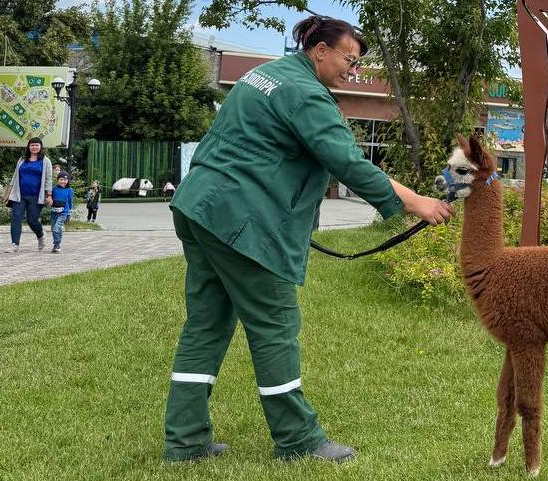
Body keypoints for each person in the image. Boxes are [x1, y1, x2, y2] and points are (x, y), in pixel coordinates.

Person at [163, 15, 454, 463]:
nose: (351, 71)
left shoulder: (265, 75)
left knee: (205, 325)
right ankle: (297, 439)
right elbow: (348, 160)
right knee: (275, 327)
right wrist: (415, 201)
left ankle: (184, 442)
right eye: (349, 60)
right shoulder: (304, 94)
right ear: (320, 50)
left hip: (202, 206)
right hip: (241, 219)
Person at [5, 137, 53, 252]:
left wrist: (49, 195)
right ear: (28, 147)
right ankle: (14, 245)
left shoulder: (45, 161)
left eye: (37, 145)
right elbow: (14, 177)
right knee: (16, 218)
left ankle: (41, 235)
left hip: (36, 196)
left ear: (40, 147)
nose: (34, 147)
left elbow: (48, 180)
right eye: (32, 145)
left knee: (32, 220)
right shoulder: (22, 160)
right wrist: (7, 193)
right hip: (19, 195)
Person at [50, 172, 74, 253]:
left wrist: (69, 211)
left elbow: (70, 201)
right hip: (54, 212)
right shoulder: (53, 189)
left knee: (57, 228)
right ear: (57, 180)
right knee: (54, 229)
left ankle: (57, 245)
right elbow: (49, 199)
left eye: (65, 180)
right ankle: (56, 244)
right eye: (61, 179)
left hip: (64, 212)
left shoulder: (69, 190)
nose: (63, 181)